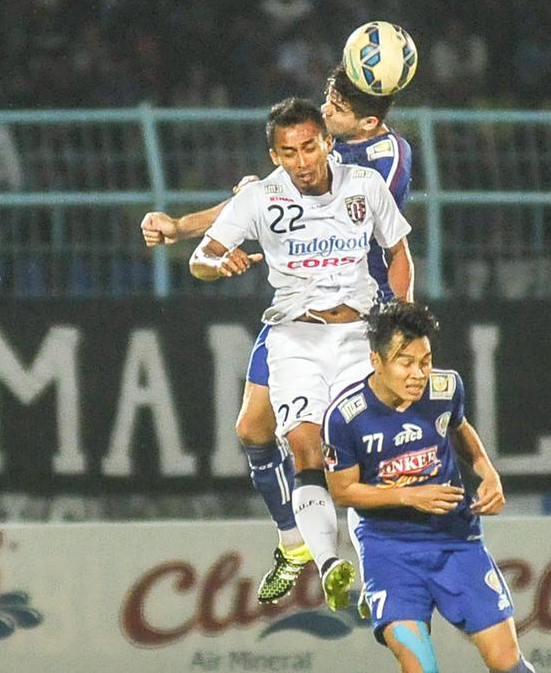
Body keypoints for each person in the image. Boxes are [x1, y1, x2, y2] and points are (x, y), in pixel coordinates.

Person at [141, 66, 414, 605]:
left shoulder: (377, 165)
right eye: (328, 98)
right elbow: (254, 206)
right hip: (297, 321)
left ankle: (377, 565)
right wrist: (187, 233)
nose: (327, 105)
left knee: (362, 453)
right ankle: (300, 544)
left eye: (336, 107)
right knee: (258, 429)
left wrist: (401, 314)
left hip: (363, 315)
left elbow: (389, 243)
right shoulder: (299, 166)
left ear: (348, 130)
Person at [323, 302, 534, 673]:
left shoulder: (445, 388)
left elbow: (459, 427)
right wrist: (409, 495)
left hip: (456, 541)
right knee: (421, 666)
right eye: (406, 363)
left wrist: (487, 471)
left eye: (425, 361)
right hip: (389, 551)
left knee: (507, 663)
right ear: (376, 361)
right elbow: (343, 491)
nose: (419, 373)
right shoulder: (345, 417)